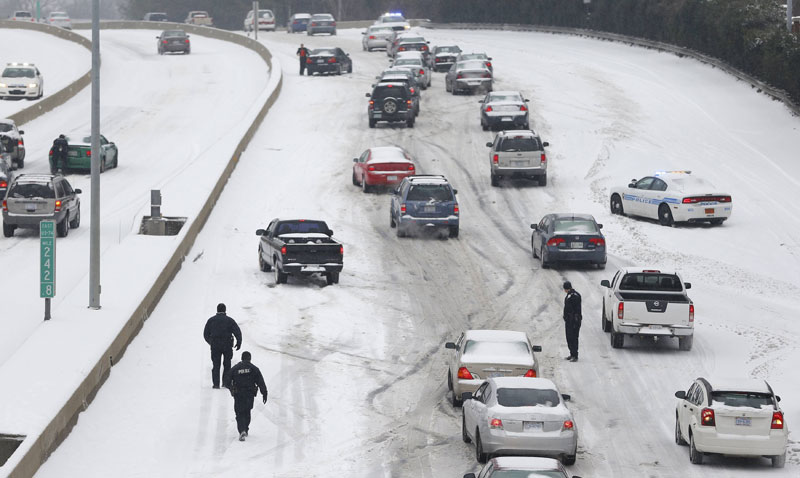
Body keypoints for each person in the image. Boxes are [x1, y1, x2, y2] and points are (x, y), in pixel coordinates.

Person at [229, 351, 268, 441]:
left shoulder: (235, 368)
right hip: (249, 394)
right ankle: (245, 429)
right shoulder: (254, 369)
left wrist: (231, 388)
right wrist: (264, 393)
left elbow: (227, 380)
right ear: (250, 358)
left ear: (242, 358)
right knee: (247, 412)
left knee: (239, 413)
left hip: (238, 394)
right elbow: (260, 382)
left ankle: (242, 429)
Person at [203, 303, 242, 389]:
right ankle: (226, 383)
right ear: (225, 310)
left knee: (216, 365)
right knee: (227, 364)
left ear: (217, 310)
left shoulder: (211, 320)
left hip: (215, 346)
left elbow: (205, 334)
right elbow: (237, 332)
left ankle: (216, 384)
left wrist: (211, 342)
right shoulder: (230, 320)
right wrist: (239, 342)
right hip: (227, 345)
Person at [563, 281, 582, 362]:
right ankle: (571, 353)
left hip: (574, 321)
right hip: (569, 321)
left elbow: (575, 310)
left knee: (573, 337)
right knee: (569, 337)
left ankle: (575, 355)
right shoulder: (570, 295)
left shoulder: (574, 296)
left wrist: (575, 320)